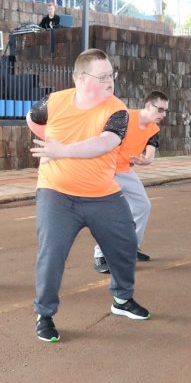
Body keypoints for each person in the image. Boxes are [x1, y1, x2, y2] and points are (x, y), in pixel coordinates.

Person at [26, 48, 150, 343]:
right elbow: (32, 118)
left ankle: (121, 299)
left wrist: (63, 150)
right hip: (56, 193)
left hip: (103, 194)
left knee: (125, 245)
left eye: (112, 75)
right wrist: (49, 143)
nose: (111, 81)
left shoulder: (116, 109)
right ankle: (45, 314)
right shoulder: (54, 102)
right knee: (52, 254)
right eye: (104, 76)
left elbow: (106, 142)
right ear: (81, 79)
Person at [92, 91, 169, 274]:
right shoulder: (124, 118)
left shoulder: (154, 129)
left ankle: (130, 248)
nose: (163, 114)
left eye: (166, 111)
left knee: (143, 206)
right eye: (160, 109)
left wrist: (146, 160)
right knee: (111, 213)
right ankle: (100, 255)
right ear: (148, 106)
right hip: (106, 170)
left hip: (125, 170)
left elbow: (150, 155)